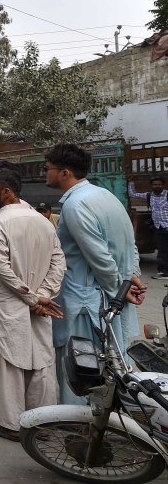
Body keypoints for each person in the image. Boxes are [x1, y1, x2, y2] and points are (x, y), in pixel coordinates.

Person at [45, 144, 147, 403]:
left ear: (64, 172)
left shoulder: (76, 205)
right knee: (105, 364)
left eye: (48, 169)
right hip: (103, 296)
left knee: (80, 368)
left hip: (86, 302)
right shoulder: (104, 195)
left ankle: (78, 427)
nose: (46, 174)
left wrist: (119, 292)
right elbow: (128, 244)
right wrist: (129, 279)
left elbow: (99, 256)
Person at [0, 167, 66, 442]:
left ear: (6, 192)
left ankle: (11, 425)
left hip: (9, 304)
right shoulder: (42, 221)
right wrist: (43, 295)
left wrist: (34, 298)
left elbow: (2, 269)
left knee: (8, 366)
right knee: (41, 364)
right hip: (37, 303)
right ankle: (43, 423)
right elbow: (58, 262)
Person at [128, 176, 167, 280]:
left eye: (159, 184)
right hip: (158, 227)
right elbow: (133, 194)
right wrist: (131, 183)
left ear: (163, 185)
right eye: (155, 184)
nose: (157, 186)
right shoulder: (150, 196)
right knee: (162, 250)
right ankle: (164, 272)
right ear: (151, 186)